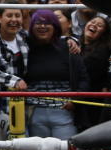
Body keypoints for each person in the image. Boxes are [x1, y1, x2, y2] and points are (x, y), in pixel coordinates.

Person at [23, 10, 85, 140]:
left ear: (55, 27)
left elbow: (83, 79)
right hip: (34, 112)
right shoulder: (25, 48)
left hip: (63, 112)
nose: (42, 27)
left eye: (48, 23)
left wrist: (75, 102)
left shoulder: (68, 47)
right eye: (38, 23)